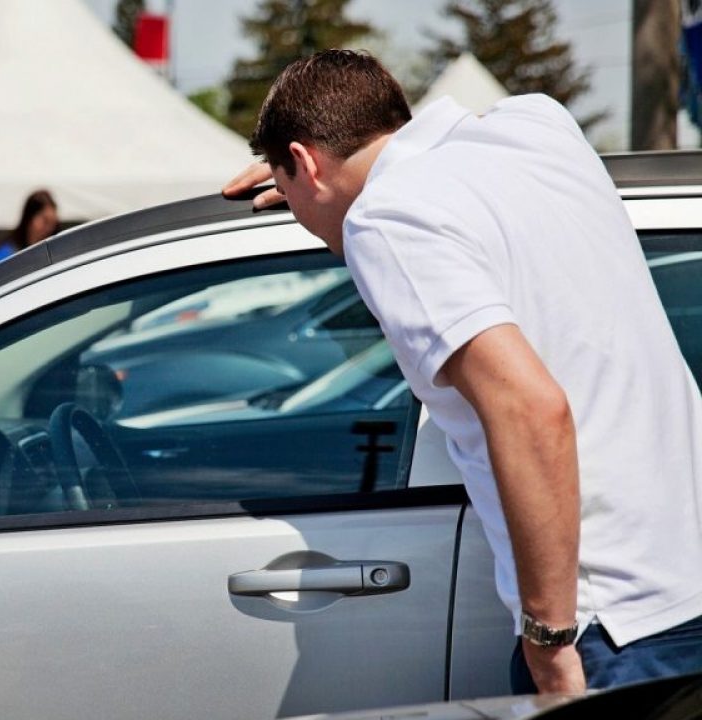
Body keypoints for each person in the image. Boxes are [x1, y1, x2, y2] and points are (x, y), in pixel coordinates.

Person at [224, 50, 702, 695]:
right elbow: (439, 144)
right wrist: (309, 170)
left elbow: (532, 409)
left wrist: (549, 641)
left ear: (304, 162)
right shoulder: (538, 127)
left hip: (607, 626)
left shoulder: (386, 222)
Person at [0, 190, 59, 264]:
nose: (50, 228)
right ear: (30, 218)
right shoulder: (5, 255)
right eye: (45, 221)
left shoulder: (57, 253)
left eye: (53, 223)